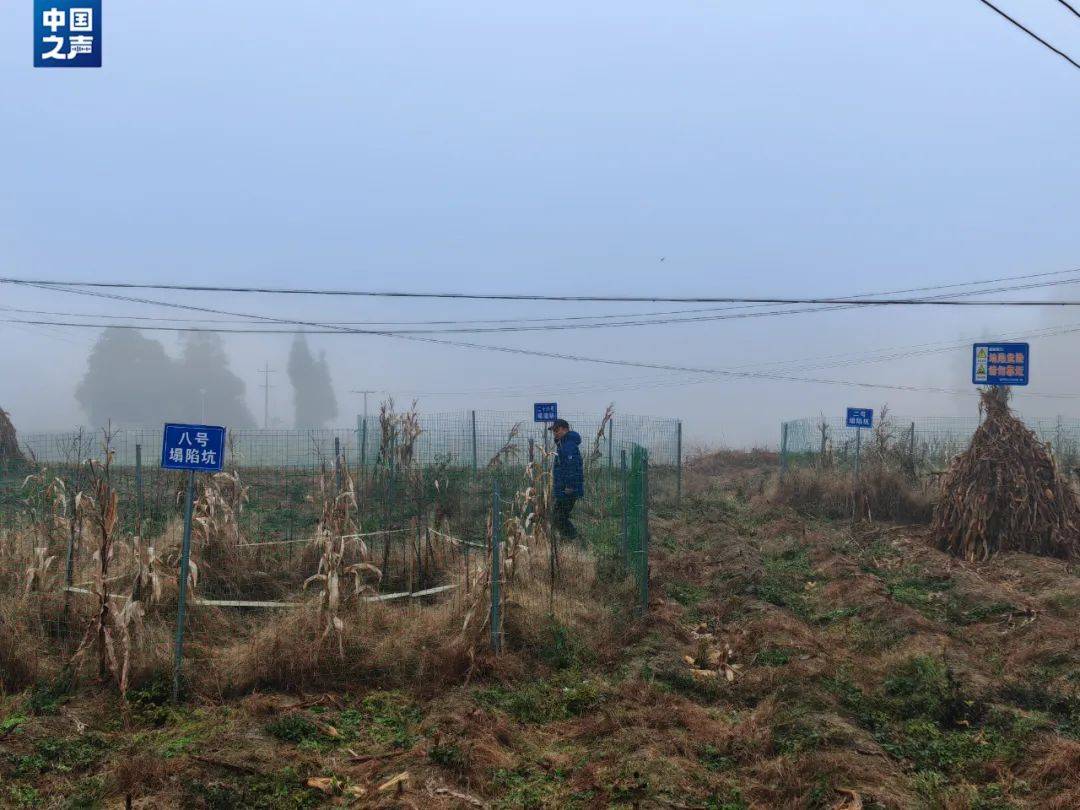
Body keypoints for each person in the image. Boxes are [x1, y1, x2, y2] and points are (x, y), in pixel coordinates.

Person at [549, 418, 584, 540]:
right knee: (557, 516)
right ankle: (568, 539)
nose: (555, 433)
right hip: (563, 488)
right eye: (553, 430)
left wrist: (569, 486)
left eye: (557, 430)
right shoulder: (563, 444)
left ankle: (574, 539)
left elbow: (572, 467)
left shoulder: (568, 445)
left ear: (565, 429)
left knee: (559, 517)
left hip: (568, 489)